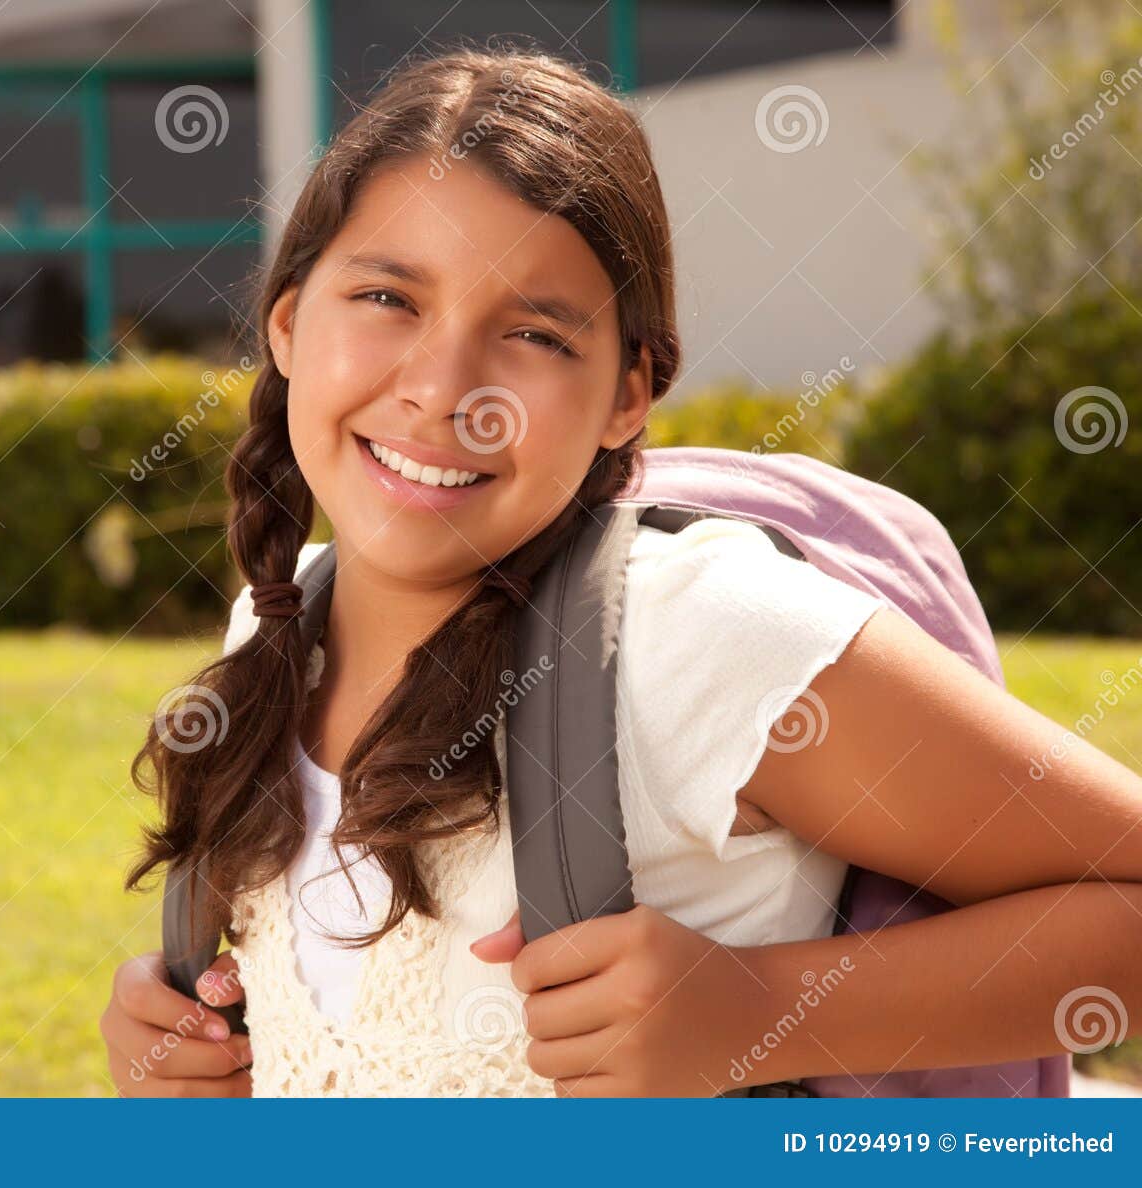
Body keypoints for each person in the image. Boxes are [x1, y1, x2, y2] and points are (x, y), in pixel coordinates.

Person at [99, 45, 1142, 1097]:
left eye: (534, 334)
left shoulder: (693, 635)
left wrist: (763, 1012)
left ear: (626, 397)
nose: (445, 389)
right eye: (386, 298)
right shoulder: (273, 629)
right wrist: (202, 1056)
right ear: (286, 322)